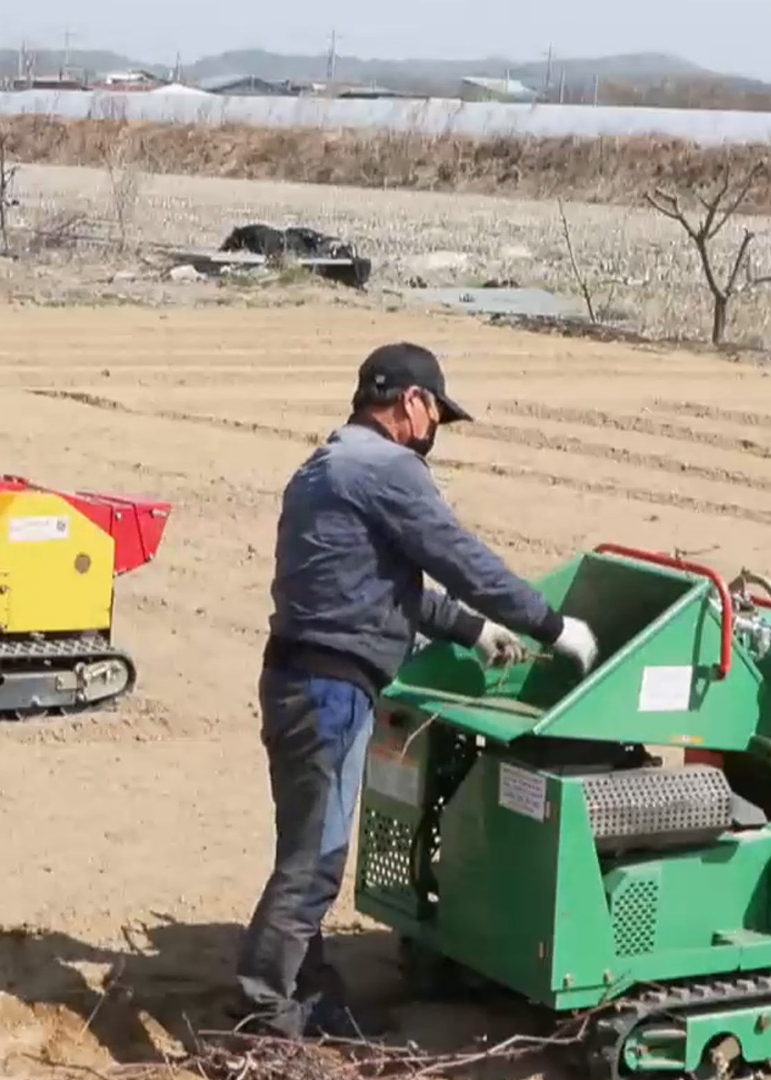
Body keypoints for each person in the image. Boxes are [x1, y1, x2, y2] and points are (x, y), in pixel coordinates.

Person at [231, 342, 600, 1040]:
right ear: (413, 404)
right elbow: (461, 560)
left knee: (306, 847)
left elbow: (376, 589)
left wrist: (472, 632)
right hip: (330, 691)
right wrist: (552, 627)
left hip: (294, 678)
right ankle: (265, 1006)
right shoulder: (388, 469)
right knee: (313, 863)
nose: (436, 433)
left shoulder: (322, 468)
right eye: (438, 415)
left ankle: (306, 988)